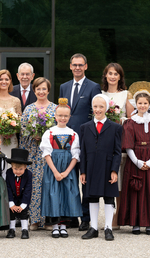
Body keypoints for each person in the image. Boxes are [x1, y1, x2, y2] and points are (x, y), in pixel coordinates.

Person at [59, 53, 101, 231]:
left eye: (80, 65)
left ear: (86, 66)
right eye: (74, 65)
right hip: (66, 141)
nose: (77, 68)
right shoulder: (64, 87)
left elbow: (95, 113)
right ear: (70, 66)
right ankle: (70, 216)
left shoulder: (93, 87)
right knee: (69, 179)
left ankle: (85, 217)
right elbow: (62, 112)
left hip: (86, 141)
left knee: (85, 180)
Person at [118, 89, 150, 235]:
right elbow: (127, 144)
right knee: (135, 190)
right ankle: (135, 223)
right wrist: (137, 162)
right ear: (135, 104)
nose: (142, 106)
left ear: (149, 104)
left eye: (145, 103)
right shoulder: (129, 123)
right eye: (140, 103)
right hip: (135, 159)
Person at [79, 94, 122, 241]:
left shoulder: (115, 127)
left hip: (108, 166)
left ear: (106, 108)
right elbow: (82, 151)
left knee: (109, 197)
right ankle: (94, 227)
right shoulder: (84, 127)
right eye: (95, 106)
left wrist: (114, 170)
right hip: (90, 167)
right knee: (92, 197)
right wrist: (82, 171)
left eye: (101, 107)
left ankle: (108, 228)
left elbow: (117, 151)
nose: (98, 109)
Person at [40, 98, 83, 238]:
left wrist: (66, 172)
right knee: (53, 194)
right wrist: (55, 172)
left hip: (67, 169)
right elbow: (46, 154)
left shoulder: (73, 134)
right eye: (60, 115)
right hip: (53, 169)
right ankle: (54, 225)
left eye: (66, 116)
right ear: (55, 116)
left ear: (69, 117)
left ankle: (64, 225)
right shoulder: (49, 133)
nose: (63, 118)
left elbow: (75, 155)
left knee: (67, 194)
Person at [19, 77, 57, 231]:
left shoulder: (55, 109)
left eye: (44, 89)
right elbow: (22, 130)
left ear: (48, 90)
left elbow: (59, 129)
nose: (41, 92)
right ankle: (34, 219)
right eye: (38, 89)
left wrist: (46, 136)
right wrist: (32, 136)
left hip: (49, 153)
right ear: (34, 91)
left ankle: (48, 220)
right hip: (33, 151)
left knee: (48, 184)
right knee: (33, 185)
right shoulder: (28, 109)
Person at [101, 62, 133, 229]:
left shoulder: (126, 95)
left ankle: (118, 215)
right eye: (110, 73)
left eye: (115, 74)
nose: (112, 76)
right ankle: (108, 213)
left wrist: (119, 121)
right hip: (103, 139)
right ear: (105, 76)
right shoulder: (99, 94)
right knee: (106, 178)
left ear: (120, 77)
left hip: (119, 139)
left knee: (119, 178)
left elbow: (130, 118)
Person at [5, 148, 33, 239]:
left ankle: (24, 230)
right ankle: (11, 229)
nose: (18, 171)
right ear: (11, 167)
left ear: (25, 167)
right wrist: (11, 204)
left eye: (21, 169)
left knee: (23, 213)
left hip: (23, 198)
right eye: (15, 169)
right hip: (12, 197)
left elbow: (28, 190)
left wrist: (22, 205)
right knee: (11, 212)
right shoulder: (8, 173)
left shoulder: (29, 174)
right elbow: (8, 188)